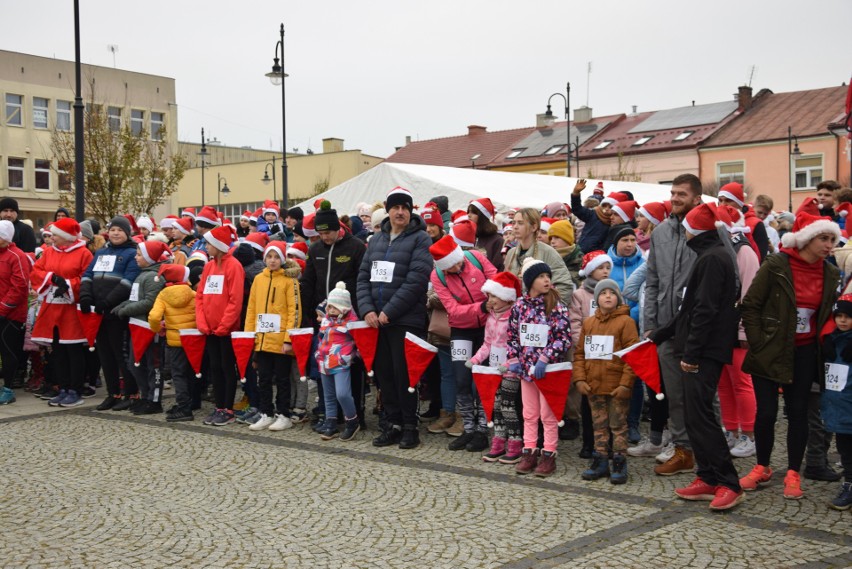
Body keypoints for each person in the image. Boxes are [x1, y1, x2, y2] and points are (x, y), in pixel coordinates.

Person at [740, 209, 840, 499]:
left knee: (799, 413)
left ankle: (794, 472)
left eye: (832, 239)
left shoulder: (831, 272)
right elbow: (751, 305)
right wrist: (758, 341)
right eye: (823, 238)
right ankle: (762, 466)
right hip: (770, 349)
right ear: (806, 239)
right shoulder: (776, 264)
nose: (828, 245)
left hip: (806, 351)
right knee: (767, 413)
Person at [651, 203, 743, 511]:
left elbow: (704, 310)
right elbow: (689, 308)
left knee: (702, 417)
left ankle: (728, 482)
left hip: (704, 351)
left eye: (687, 226)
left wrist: (691, 353)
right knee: (693, 416)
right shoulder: (707, 255)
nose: (684, 231)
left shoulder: (713, 259)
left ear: (694, 230)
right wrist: (661, 333)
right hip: (697, 347)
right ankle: (707, 476)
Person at [357, 187, 433, 449]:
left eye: (405, 208)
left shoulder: (420, 239)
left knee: (405, 376)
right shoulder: (376, 240)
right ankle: (393, 424)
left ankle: (410, 426)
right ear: (388, 210)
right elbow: (363, 277)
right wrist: (367, 309)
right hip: (375, 321)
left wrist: (389, 311)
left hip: (403, 320)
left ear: (410, 211)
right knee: (384, 376)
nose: (400, 212)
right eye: (396, 207)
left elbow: (416, 280)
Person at [644, 173, 702, 476]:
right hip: (666, 329)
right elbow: (652, 281)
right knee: (675, 395)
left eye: (682, 194)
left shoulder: (711, 231)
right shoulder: (661, 232)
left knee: (703, 395)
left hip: (697, 329)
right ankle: (683, 450)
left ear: (696, 198)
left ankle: (707, 450)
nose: (675, 198)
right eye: (673, 193)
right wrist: (651, 323)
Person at [429, 234, 498, 453]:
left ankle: (481, 430)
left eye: (459, 263)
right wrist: (481, 307)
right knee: (461, 379)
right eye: (452, 267)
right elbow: (453, 311)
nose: (458, 268)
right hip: (461, 329)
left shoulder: (476, 258)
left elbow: (496, 284)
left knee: (481, 380)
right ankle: (467, 427)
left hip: (487, 328)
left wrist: (487, 306)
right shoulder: (438, 275)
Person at [506, 259, 571, 477]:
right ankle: (529, 452)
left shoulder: (556, 305)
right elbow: (512, 336)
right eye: (542, 277)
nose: (546, 280)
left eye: (548, 277)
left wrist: (545, 358)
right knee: (529, 413)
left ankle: (549, 454)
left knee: (548, 414)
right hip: (526, 371)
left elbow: (563, 337)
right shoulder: (519, 306)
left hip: (548, 371)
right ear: (530, 281)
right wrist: (514, 358)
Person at [574, 279, 638, 484]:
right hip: (593, 385)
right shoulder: (589, 323)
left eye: (612, 293)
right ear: (597, 298)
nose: (608, 296)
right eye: (603, 293)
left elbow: (632, 355)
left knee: (618, 425)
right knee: (598, 425)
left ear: (618, 298)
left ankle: (619, 459)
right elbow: (580, 354)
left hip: (617, 386)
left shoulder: (626, 322)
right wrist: (580, 379)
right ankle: (600, 459)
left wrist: (625, 384)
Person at [30, 218, 93, 407]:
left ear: (66, 237)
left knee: (73, 350)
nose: (52, 238)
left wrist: (67, 285)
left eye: (55, 234)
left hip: (72, 310)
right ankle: (63, 387)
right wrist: (51, 279)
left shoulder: (84, 254)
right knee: (57, 351)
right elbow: (36, 272)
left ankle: (76, 389)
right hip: (52, 307)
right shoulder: (49, 252)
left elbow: (87, 278)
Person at [80, 216, 141, 411]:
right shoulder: (101, 252)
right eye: (113, 229)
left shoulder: (132, 253)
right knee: (105, 355)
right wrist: (86, 296)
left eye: (120, 230)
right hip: (99, 312)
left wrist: (108, 302)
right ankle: (112, 393)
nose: (115, 233)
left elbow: (128, 281)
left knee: (120, 355)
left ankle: (131, 393)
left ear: (127, 233)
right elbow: (88, 274)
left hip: (117, 312)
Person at [467, 271, 523, 463]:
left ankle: (515, 443)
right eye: (489, 295)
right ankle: (498, 441)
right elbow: (488, 344)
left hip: (510, 371)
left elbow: (518, 346)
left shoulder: (514, 317)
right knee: (496, 406)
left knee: (508, 406)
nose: (490, 300)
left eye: (494, 296)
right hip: (493, 369)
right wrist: (475, 359)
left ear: (507, 298)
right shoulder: (491, 317)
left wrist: (509, 364)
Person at [244, 242, 301, 432]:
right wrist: (250, 336)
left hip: (280, 340)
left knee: (283, 379)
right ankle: (266, 413)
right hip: (262, 339)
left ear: (282, 259)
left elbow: (295, 311)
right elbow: (251, 309)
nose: (273, 260)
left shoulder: (289, 281)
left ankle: (284, 414)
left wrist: (288, 338)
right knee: (264, 378)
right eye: (269, 257)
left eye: (276, 257)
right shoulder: (259, 280)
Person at [112, 240, 172, 414]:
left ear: (149, 257)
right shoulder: (142, 274)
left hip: (149, 328)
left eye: (139, 254)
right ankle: (145, 396)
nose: (136, 257)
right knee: (135, 364)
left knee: (153, 366)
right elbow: (134, 298)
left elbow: (149, 302)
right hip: (137, 327)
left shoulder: (154, 277)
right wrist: (122, 306)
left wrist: (125, 310)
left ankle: (154, 401)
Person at [196, 224, 245, 426]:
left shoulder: (234, 266)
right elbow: (200, 296)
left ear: (218, 245)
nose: (206, 246)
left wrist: (224, 326)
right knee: (214, 368)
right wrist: (202, 322)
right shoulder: (208, 266)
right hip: (210, 328)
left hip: (226, 330)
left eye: (208, 243)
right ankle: (218, 406)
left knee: (226, 367)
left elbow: (235, 300)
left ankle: (228, 408)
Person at [569, 250, 613, 456]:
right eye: (600, 267)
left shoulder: (612, 292)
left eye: (607, 268)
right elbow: (575, 323)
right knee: (588, 400)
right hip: (587, 354)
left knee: (608, 400)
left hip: (608, 355)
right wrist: (585, 346)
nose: (605, 272)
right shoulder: (579, 295)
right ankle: (588, 442)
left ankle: (607, 443)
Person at [313, 282, 361, 441]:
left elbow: (359, 341)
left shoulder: (351, 323)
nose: (331, 310)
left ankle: (352, 421)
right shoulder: (326, 320)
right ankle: (330, 422)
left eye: (335, 307)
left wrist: (354, 354)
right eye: (330, 307)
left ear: (344, 308)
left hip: (341, 362)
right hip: (324, 361)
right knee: (328, 395)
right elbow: (321, 337)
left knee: (342, 393)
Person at [149, 264, 197, 422]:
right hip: (192, 339)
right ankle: (193, 402)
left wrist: (158, 329)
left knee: (178, 374)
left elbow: (154, 317)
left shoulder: (163, 294)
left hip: (175, 340)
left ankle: (184, 407)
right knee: (192, 371)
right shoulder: (192, 293)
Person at [820, 294, 852, 510]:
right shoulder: (830, 342)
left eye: (848, 317)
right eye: (839, 316)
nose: (842, 320)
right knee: (845, 450)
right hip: (837, 407)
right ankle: (849, 484)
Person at [503, 208, 573, 300]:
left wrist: (549, 310)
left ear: (534, 227)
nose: (515, 227)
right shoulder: (511, 253)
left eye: (520, 223)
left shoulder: (548, 252)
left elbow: (564, 286)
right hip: (515, 310)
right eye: (513, 223)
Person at [0, 220, 31, 405]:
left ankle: (8, 389)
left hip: (10, 314)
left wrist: (3, 308)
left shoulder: (16, 256)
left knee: (8, 351)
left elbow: (19, 286)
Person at [571, 179, 621, 254]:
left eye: (610, 207)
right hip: (580, 252)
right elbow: (577, 209)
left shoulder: (614, 223)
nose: (606, 209)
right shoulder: (593, 214)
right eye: (604, 206)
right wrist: (576, 193)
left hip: (597, 257)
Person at [466, 198, 504, 271]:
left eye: (473, 212)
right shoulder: (469, 237)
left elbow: (497, 268)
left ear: (482, 216)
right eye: (468, 212)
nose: (468, 215)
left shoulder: (497, 241)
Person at [548, 220, 582, 290]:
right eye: (551, 238)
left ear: (567, 239)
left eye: (556, 237)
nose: (552, 241)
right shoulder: (547, 259)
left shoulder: (580, 260)